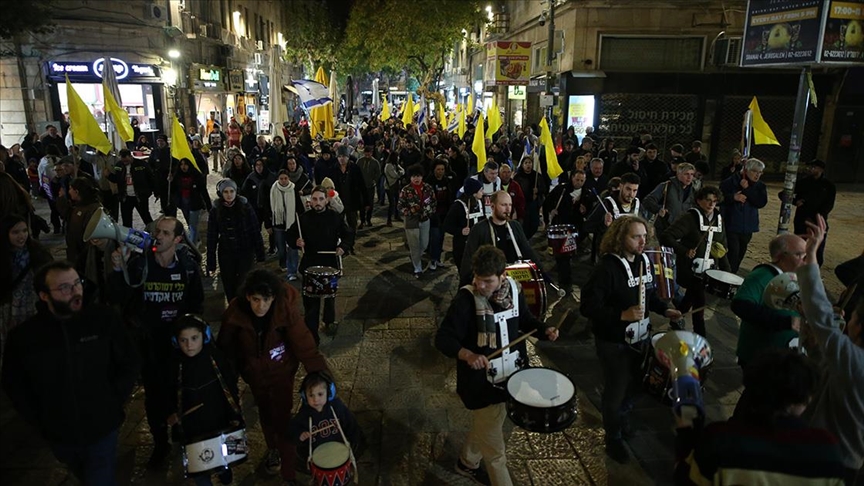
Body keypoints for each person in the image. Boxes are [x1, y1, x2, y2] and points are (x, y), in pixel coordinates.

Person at [1, 261, 139, 485]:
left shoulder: (102, 319)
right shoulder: (25, 337)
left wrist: (113, 400)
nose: (75, 292)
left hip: (101, 426)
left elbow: (129, 361)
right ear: (44, 296)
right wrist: (41, 419)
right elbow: (14, 383)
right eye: (64, 288)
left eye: (78, 283)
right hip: (59, 433)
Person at [435, 245, 559, 486]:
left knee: (489, 424)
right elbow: (443, 338)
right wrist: (467, 354)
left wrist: (544, 330)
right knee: (496, 452)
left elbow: (524, 320)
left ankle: (467, 462)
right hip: (483, 385)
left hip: (511, 376)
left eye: (488, 281)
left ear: (503, 276)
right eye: (478, 280)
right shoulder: (466, 299)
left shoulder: (513, 289)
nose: (481, 286)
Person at [580, 216, 681, 463]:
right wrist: (621, 315)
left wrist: (664, 309)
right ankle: (613, 437)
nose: (642, 241)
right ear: (619, 238)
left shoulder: (644, 261)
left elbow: (649, 293)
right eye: (636, 236)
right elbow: (588, 306)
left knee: (641, 383)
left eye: (644, 236)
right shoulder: (606, 268)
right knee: (615, 390)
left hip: (641, 337)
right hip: (613, 341)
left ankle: (622, 416)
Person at [107, 216, 204, 467]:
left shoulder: (187, 266)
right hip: (148, 343)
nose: (158, 236)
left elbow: (196, 303)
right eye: (156, 231)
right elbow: (117, 296)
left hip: (177, 343)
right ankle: (160, 442)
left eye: (165, 233)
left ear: (178, 239)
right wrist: (119, 270)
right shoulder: (140, 264)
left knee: (180, 390)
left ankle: (179, 431)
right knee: (154, 394)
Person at [217, 269, 328, 485]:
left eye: (265, 300)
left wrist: (320, 374)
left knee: (283, 416)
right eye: (255, 299)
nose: (260, 306)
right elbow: (226, 349)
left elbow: (303, 342)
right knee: (266, 413)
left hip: (281, 373)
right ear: (248, 296)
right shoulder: (235, 313)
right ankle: (273, 449)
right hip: (255, 375)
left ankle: (288, 467)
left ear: (273, 298)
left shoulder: (284, 310)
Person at [674, 349, 846, 485]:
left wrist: (687, 437)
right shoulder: (826, 451)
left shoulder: (720, 440)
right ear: (806, 398)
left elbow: (685, 479)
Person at [797, 215, 864, 484]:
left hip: (822, 459)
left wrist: (811, 256)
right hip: (850, 462)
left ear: (859, 327)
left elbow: (820, 315)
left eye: (854, 317)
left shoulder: (854, 359)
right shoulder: (848, 360)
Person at [167, 315, 242, 486]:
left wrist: (235, 412)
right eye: (183, 340)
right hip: (192, 426)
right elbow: (168, 391)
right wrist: (170, 412)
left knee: (223, 458)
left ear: (205, 336)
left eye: (194, 338)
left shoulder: (215, 358)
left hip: (218, 418)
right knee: (200, 467)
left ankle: (224, 471)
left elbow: (229, 386)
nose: (189, 345)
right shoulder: (174, 364)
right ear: (175, 341)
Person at [659, 186, 730, 337]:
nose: (711, 204)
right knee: (700, 305)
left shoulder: (718, 219)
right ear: (699, 200)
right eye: (708, 200)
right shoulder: (690, 218)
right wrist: (684, 250)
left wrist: (727, 273)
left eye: (715, 201)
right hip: (691, 269)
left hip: (708, 271)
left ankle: (676, 318)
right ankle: (700, 336)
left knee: (690, 298)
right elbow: (667, 236)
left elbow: (722, 246)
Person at [288, 186, 354, 344]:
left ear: (327, 200)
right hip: (310, 263)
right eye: (315, 199)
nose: (317, 203)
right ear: (310, 200)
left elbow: (348, 234)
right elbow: (290, 235)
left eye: (321, 199)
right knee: (310, 299)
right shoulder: (303, 218)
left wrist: (343, 247)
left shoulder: (334, 217)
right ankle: (311, 332)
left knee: (330, 296)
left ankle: (329, 321)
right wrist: (296, 241)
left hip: (330, 263)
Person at [733, 233, 806, 367]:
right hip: (760, 358)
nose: (804, 261)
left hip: (784, 356)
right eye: (798, 255)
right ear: (779, 256)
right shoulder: (762, 276)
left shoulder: (793, 277)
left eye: (805, 256)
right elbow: (740, 305)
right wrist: (785, 322)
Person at [459, 191, 541, 286]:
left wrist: (541, 273)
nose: (508, 209)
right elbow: (468, 259)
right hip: (490, 280)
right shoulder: (479, 229)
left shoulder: (515, 226)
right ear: (492, 206)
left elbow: (528, 251)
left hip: (514, 279)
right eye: (503, 205)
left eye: (510, 205)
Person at [0, 215, 53, 359]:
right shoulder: (4, 256)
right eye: (15, 232)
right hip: (8, 309)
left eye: (24, 231)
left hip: (33, 306)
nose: (21, 236)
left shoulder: (37, 251)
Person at [206, 179, 265, 302]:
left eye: (231, 191)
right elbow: (211, 236)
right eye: (226, 192)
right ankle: (233, 307)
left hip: (245, 250)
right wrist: (211, 261)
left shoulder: (245, 207)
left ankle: (244, 307)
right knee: (228, 283)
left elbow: (254, 230)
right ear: (221, 193)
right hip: (226, 251)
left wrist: (260, 253)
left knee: (244, 281)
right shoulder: (215, 210)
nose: (229, 195)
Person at [288, 371, 363, 466]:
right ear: (304, 396)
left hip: (339, 449)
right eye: (311, 395)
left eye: (320, 394)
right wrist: (300, 436)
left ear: (329, 393)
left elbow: (351, 424)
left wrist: (356, 442)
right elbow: (292, 431)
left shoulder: (337, 407)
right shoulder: (304, 415)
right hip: (318, 455)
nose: (316, 400)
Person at [720, 158, 768, 273]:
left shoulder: (760, 186)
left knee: (741, 252)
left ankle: (733, 274)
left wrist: (747, 189)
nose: (758, 175)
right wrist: (733, 197)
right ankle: (728, 276)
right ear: (746, 170)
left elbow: (760, 202)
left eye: (760, 172)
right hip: (731, 224)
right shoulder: (730, 182)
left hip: (748, 226)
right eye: (755, 172)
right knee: (733, 253)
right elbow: (719, 199)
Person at [544, 169, 588, 292]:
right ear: (572, 178)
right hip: (561, 228)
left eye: (582, 180)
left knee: (570, 256)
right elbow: (547, 202)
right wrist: (551, 211)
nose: (579, 183)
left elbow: (591, 211)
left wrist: (585, 211)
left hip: (577, 229)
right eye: (577, 179)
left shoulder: (587, 193)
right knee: (563, 256)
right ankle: (564, 282)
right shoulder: (561, 190)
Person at [584, 172, 642, 263]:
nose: (631, 194)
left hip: (629, 253)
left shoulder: (637, 204)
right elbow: (588, 226)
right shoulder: (607, 204)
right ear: (621, 186)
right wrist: (604, 224)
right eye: (628, 189)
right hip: (608, 254)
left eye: (635, 191)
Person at [792, 159, 836, 266]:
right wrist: (796, 201)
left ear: (820, 170)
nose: (810, 169)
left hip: (817, 221)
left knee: (818, 248)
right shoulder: (804, 182)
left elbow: (829, 204)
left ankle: (814, 269)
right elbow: (785, 194)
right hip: (801, 219)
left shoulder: (828, 186)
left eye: (813, 167)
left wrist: (817, 216)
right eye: (810, 167)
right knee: (799, 245)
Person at [398, 164, 436, 278]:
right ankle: (417, 268)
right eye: (414, 176)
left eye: (418, 176)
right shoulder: (406, 190)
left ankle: (415, 256)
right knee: (414, 245)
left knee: (424, 243)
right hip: (411, 221)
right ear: (410, 177)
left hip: (425, 219)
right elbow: (400, 206)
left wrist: (429, 212)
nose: (416, 179)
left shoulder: (428, 188)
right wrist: (409, 211)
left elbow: (433, 202)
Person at [269, 169, 305, 280]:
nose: (284, 181)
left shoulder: (293, 189)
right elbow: (268, 206)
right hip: (279, 224)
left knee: (292, 247)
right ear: (278, 179)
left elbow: (299, 207)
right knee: (280, 247)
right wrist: (268, 223)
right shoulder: (273, 189)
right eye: (281, 179)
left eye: (285, 178)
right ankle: (283, 263)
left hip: (291, 224)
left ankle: (292, 271)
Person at [445, 178, 486, 274]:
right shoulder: (457, 206)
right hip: (463, 246)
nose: (483, 192)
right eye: (480, 190)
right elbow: (447, 225)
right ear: (474, 193)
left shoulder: (480, 203)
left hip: (478, 244)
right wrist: (460, 231)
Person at [643, 162, 696, 236]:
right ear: (678, 174)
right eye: (686, 174)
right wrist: (659, 209)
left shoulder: (693, 191)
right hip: (664, 227)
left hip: (682, 229)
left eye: (692, 174)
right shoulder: (667, 186)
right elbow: (647, 201)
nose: (689, 177)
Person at [327, 145, 370, 233]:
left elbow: (362, 185)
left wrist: (366, 202)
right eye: (339, 156)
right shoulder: (333, 169)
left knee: (352, 223)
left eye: (344, 156)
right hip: (338, 201)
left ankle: (351, 240)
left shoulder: (355, 168)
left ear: (348, 157)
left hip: (352, 200)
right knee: (339, 223)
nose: (341, 159)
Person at [108, 149, 155, 227]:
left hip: (140, 196)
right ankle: (128, 236)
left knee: (146, 217)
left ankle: (153, 233)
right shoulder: (119, 165)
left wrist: (151, 192)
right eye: (123, 161)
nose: (125, 163)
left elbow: (151, 178)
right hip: (125, 197)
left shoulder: (142, 164)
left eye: (126, 160)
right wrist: (109, 176)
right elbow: (117, 179)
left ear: (130, 156)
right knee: (126, 220)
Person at [170, 158, 212, 245]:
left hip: (195, 203)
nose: (183, 166)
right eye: (181, 164)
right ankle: (197, 239)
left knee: (192, 225)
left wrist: (209, 206)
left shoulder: (196, 176)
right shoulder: (177, 176)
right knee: (190, 222)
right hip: (183, 203)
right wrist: (170, 181)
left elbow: (204, 191)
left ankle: (192, 245)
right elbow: (173, 190)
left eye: (185, 164)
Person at [427, 159, 455, 270]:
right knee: (435, 237)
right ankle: (433, 259)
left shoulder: (447, 182)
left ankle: (438, 259)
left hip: (444, 214)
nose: (440, 172)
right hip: (434, 215)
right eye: (438, 169)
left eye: (442, 169)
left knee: (441, 237)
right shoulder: (429, 182)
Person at [513, 155, 549, 240]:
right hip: (523, 203)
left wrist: (538, 190)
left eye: (530, 163)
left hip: (534, 203)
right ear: (522, 164)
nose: (528, 165)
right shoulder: (518, 177)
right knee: (525, 223)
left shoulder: (537, 175)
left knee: (534, 224)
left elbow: (544, 188)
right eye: (526, 163)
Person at [148, 135, 175, 216]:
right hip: (159, 179)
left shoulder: (171, 151)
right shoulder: (154, 152)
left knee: (171, 199)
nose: (160, 143)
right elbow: (150, 164)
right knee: (163, 199)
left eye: (162, 141)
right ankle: (165, 213)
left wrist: (172, 173)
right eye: (158, 141)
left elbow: (175, 164)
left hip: (169, 179)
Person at [356, 144, 381, 228]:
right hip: (361, 187)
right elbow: (355, 171)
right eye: (365, 153)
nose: (367, 155)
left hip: (370, 186)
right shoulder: (360, 161)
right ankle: (362, 221)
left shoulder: (375, 162)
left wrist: (374, 181)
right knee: (361, 204)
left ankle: (368, 219)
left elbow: (378, 173)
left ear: (371, 153)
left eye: (368, 153)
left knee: (370, 204)